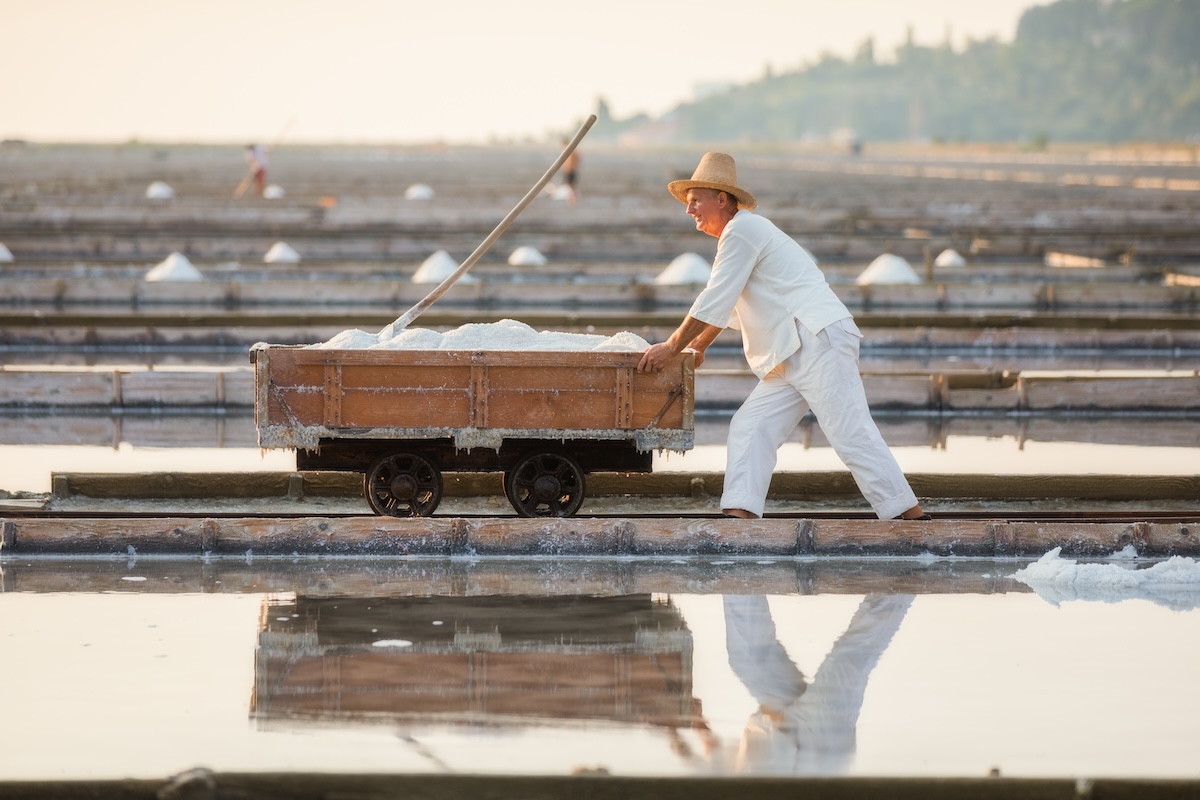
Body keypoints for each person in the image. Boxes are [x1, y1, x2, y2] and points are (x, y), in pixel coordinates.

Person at [637, 152, 929, 521]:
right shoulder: (739, 234)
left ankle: (910, 519)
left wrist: (672, 346)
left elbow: (713, 297)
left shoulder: (742, 230)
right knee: (751, 425)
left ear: (721, 199)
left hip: (816, 340)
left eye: (695, 200)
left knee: (851, 434)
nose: (688, 209)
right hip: (791, 350)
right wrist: (697, 347)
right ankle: (740, 516)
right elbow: (725, 302)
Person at [723, 593, 912, 774]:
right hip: (820, 748)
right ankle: (902, 581)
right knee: (849, 658)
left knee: (750, 659)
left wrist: (704, 736)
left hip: (782, 735)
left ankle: (738, 568)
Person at [561, 138, 580, 205]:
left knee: (570, 186)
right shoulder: (571, 151)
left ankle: (572, 200)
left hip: (570, 171)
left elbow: (574, 159)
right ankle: (572, 199)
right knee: (571, 186)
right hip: (571, 170)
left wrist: (572, 167)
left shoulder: (570, 151)